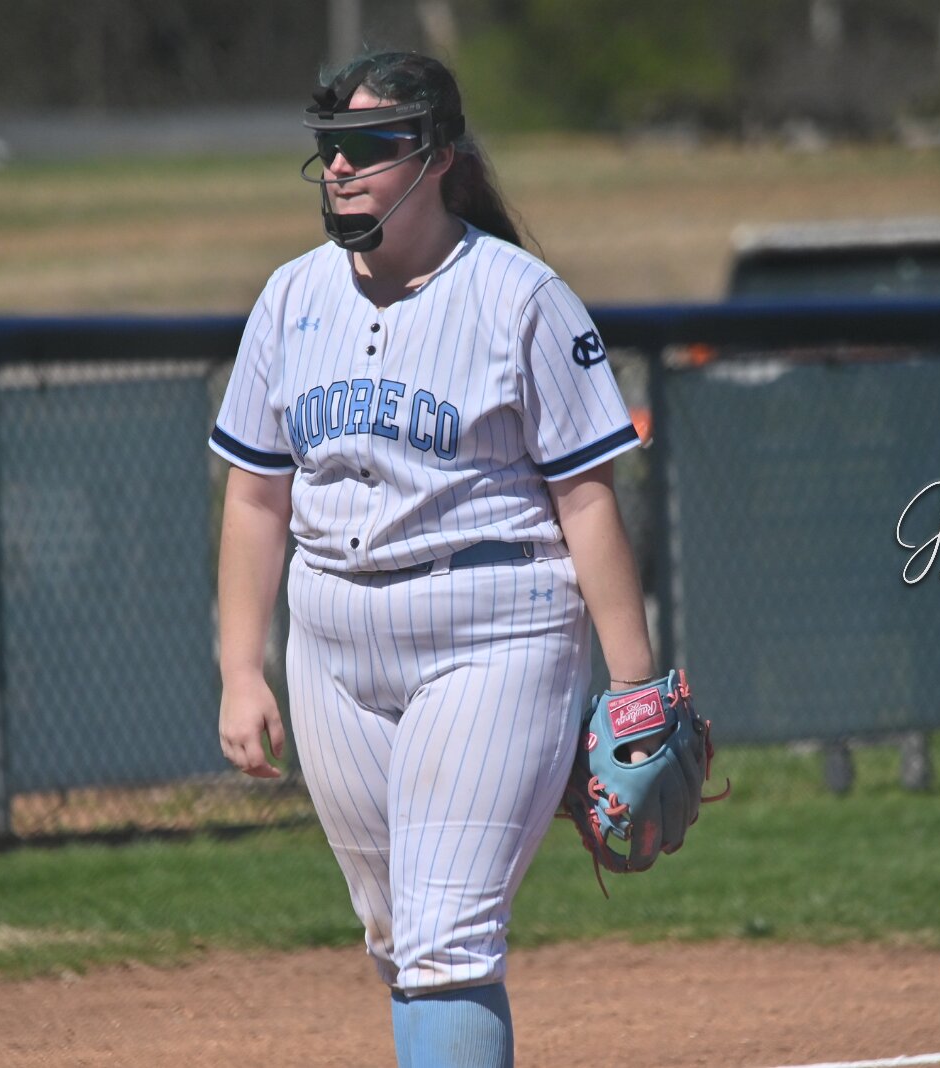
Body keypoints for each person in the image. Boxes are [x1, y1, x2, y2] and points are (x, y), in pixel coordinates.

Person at [209, 51, 653, 1068]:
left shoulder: (520, 298)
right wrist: (240, 669)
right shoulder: (290, 297)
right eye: (331, 147)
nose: (341, 168)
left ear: (439, 156)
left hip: (491, 632)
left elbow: (586, 501)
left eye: (371, 145)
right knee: (399, 938)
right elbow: (255, 494)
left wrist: (633, 688)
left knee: (447, 940)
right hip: (331, 649)